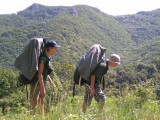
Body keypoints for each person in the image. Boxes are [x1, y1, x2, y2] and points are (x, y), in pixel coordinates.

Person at [30, 40, 60, 115]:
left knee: (41, 100)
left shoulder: (48, 58)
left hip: (42, 82)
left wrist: (51, 82)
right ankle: (32, 115)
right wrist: (42, 88)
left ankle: (41, 116)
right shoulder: (43, 58)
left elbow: (45, 72)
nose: (56, 49)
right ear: (50, 48)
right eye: (55, 48)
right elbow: (40, 74)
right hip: (38, 82)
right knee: (35, 99)